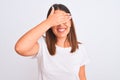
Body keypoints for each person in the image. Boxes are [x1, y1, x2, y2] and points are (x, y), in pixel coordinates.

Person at [15, 3, 89, 80]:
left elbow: (82, 77)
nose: (60, 25)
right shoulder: (42, 45)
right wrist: (48, 22)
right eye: (56, 21)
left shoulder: (80, 48)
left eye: (64, 19)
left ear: (70, 22)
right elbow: (20, 48)